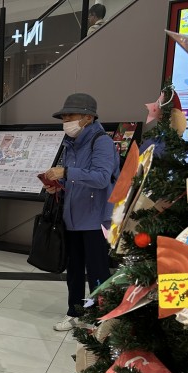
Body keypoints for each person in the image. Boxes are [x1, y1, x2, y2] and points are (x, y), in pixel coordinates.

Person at [45, 92, 118, 331]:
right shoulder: (71, 142)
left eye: (70, 116)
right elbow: (74, 180)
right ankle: (75, 312)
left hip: (96, 218)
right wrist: (57, 185)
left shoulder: (102, 141)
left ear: (88, 117)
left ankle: (101, 316)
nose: (66, 121)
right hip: (73, 216)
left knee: (97, 270)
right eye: (64, 117)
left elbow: (101, 178)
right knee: (74, 270)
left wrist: (66, 172)